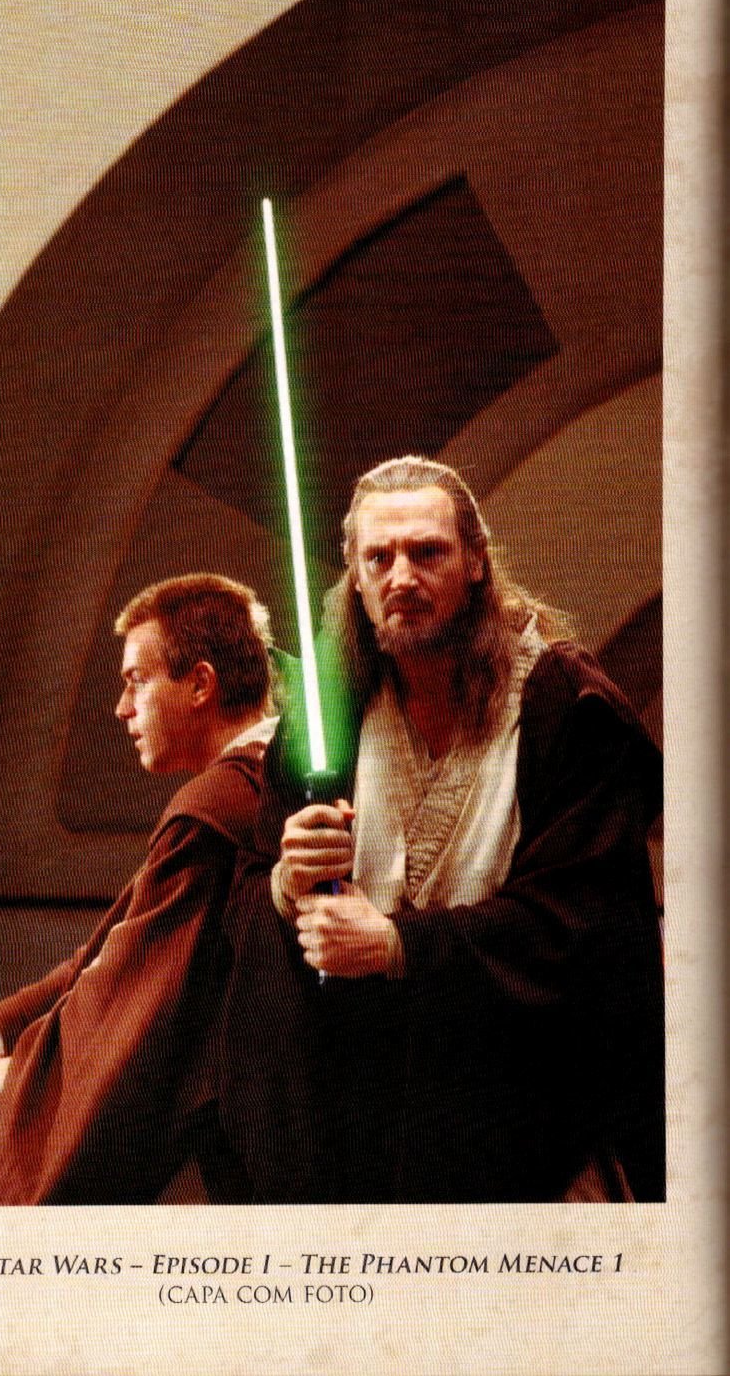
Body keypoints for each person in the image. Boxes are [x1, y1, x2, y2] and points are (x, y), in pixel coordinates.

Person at [220, 456, 664, 1203]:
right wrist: (285, 886)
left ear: (476, 564)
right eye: (379, 559)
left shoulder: (564, 704)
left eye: (427, 553)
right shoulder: (326, 717)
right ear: (356, 581)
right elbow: (241, 909)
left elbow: (589, 921)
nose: (402, 577)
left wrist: (402, 946)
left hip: (522, 1119)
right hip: (360, 1125)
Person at [0, 573, 277, 1204]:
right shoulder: (266, 782)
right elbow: (115, 946)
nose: (122, 708)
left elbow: (129, 1008)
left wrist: (2, 1075)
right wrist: (4, 1023)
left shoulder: (213, 811)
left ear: (200, 685)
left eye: (137, 680)